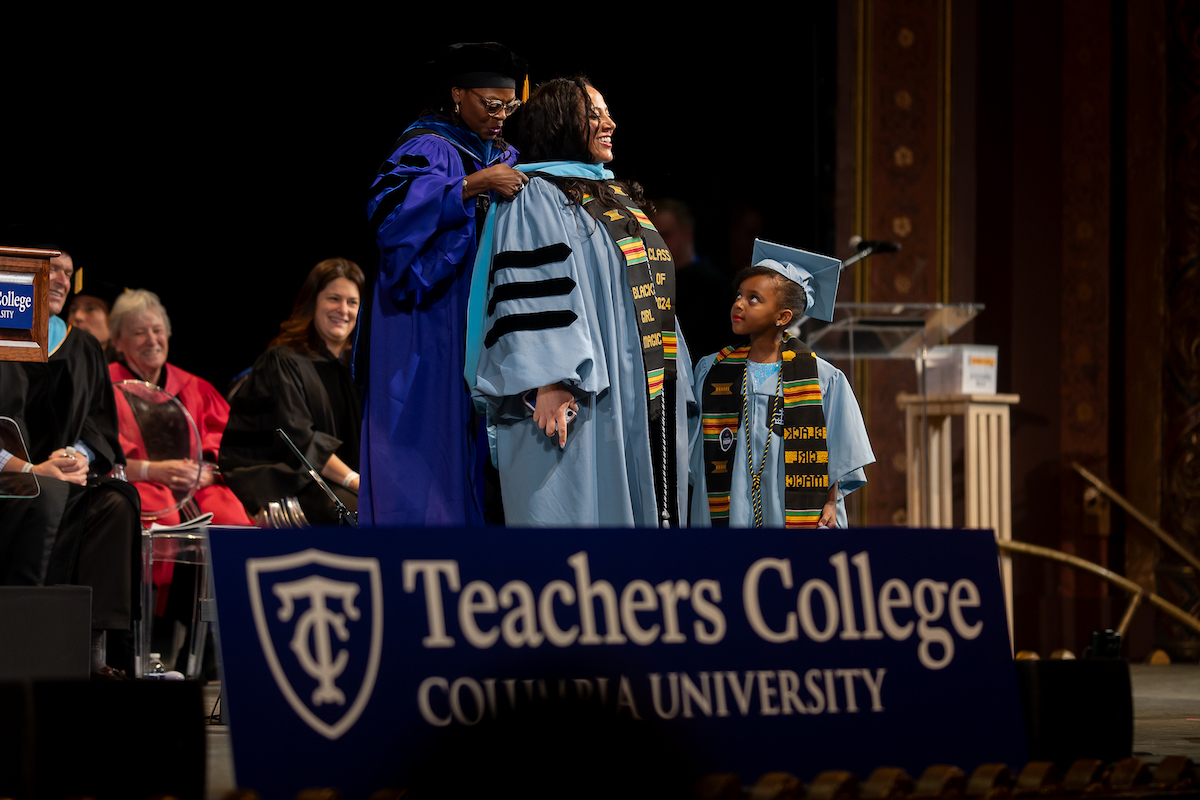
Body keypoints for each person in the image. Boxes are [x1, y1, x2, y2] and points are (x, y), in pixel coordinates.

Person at [469, 76, 694, 526]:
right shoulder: (535, 195)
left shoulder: (617, 199)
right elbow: (533, 286)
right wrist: (549, 379)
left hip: (637, 392)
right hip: (573, 397)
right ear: (560, 122)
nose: (609, 122)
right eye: (594, 114)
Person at [357, 42, 529, 527]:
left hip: (479, 312)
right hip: (425, 314)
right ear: (457, 93)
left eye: (509, 106)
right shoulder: (428, 145)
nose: (500, 117)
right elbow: (388, 221)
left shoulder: (503, 155)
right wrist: (472, 186)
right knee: (423, 439)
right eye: (489, 104)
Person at [0, 249, 140, 676]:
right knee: (42, 494)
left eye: (67, 272)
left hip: (60, 478)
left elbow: (99, 421)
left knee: (116, 502)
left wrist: (75, 457)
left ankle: (90, 649)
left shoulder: (79, 345)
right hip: (9, 480)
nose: (61, 280)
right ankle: (23, 648)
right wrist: (27, 469)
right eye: (50, 269)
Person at [689, 241, 875, 528]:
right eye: (739, 295)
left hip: (787, 501)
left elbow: (836, 450)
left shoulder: (822, 378)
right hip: (730, 498)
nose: (739, 304)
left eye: (754, 299)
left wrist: (830, 501)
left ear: (783, 316)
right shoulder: (712, 369)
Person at [220, 258, 363, 525]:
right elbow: (300, 440)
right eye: (333, 298)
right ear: (314, 302)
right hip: (288, 479)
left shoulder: (359, 370)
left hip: (344, 482)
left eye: (352, 302)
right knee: (353, 511)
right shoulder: (283, 361)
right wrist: (355, 481)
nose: (343, 310)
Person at [108, 289, 253, 527]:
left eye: (157, 330)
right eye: (139, 333)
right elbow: (101, 459)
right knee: (161, 514)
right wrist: (152, 471)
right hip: (136, 484)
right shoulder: (104, 387)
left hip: (195, 486)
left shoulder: (196, 388)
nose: (152, 340)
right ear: (117, 341)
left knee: (227, 514)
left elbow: (228, 445)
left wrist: (209, 474)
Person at [651, 198, 732, 364]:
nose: (657, 244)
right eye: (653, 236)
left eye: (665, 235)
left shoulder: (714, 288)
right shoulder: (648, 283)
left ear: (687, 234)